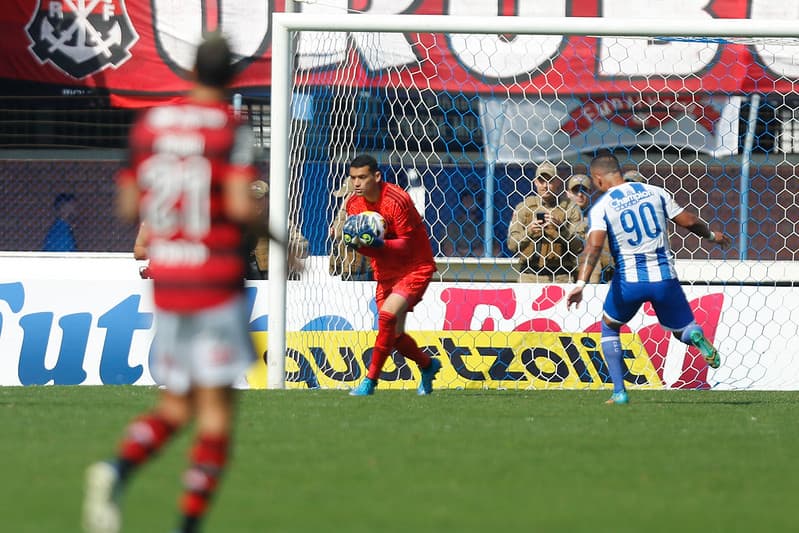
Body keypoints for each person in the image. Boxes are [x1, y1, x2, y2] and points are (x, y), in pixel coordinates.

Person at [83, 34, 266, 533]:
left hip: (168, 283)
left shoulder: (150, 125)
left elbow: (126, 208)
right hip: (215, 279)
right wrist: (274, 233)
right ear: (231, 77)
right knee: (216, 415)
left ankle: (115, 468)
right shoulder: (229, 127)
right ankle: (186, 526)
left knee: (179, 403)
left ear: (189, 72)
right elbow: (241, 205)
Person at [566, 152, 731, 405]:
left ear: (598, 179)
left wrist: (580, 284)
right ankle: (695, 334)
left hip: (629, 281)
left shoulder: (603, 206)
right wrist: (711, 236)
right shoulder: (655, 192)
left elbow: (594, 248)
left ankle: (619, 392)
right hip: (665, 278)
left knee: (610, 326)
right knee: (682, 329)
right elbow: (688, 221)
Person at [342, 154, 442, 396]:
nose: (357, 183)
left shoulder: (397, 199)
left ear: (376, 176)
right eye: (353, 178)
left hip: (415, 267)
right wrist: (355, 244)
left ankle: (369, 381)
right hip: (385, 272)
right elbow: (368, 248)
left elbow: (406, 245)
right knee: (394, 336)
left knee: (386, 317)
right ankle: (428, 365)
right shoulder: (353, 205)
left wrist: (376, 244)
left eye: (362, 177)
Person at [507, 161, 583, 282]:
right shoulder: (523, 208)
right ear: (535, 182)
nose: (545, 185)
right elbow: (512, 245)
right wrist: (529, 232)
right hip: (529, 276)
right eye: (541, 181)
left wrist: (561, 229)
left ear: (558, 181)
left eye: (550, 180)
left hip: (561, 276)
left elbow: (579, 246)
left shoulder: (570, 208)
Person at [245, 179, 308, 280]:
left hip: (274, 272)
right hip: (248, 273)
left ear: (268, 199)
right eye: (252, 199)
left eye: (259, 199)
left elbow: (301, 242)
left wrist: (293, 247)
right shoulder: (241, 220)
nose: (256, 204)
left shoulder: (278, 218)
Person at [565, 174, 614, 283]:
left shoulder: (599, 214)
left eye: (584, 190)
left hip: (601, 271)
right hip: (568, 270)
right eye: (575, 191)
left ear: (590, 192)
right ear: (567, 193)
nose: (580, 195)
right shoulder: (562, 216)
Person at [329, 179, 374, 281]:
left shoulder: (366, 208)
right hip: (349, 267)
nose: (345, 199)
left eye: (347, 195)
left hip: (361, 269)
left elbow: (341, 233)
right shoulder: (345, 208)